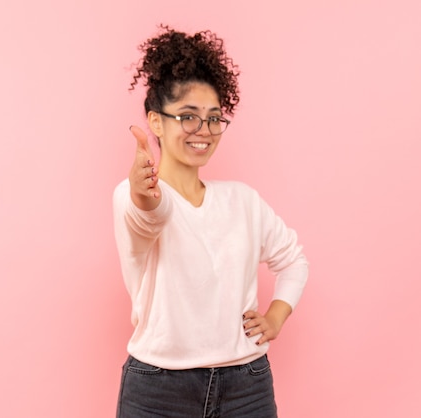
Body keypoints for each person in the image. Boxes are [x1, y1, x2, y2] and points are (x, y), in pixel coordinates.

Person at [113, 25, 309, 418]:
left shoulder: (243, 200)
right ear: (155, 122)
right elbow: (151, 214)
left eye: (214, 118)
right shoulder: (132, 196)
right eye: (187, 117)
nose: (203, 131)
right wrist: (141, 193)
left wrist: (276, 315)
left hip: (246, 387)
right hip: (158, 390)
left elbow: (294, 260)